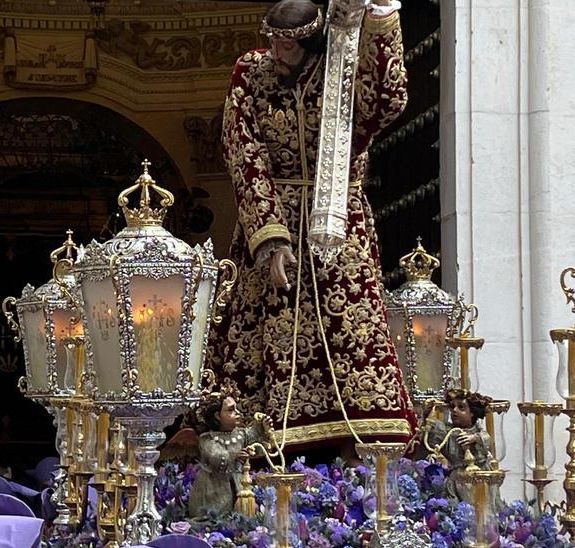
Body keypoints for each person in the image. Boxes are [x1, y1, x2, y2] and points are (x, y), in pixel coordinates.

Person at [207, 0, 416, 457]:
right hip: (272, 221)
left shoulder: (340, 72)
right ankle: (256, 441)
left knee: (353, 331)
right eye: (274, 43)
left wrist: (381, 20)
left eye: (289, 45)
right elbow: (243, 152)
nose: (278, 52)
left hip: (339, 220)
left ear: (311, 41)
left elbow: (388, 99)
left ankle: (367, 446)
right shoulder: (251, 73)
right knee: (264, 326)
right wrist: (270, 235)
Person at [186, 393, 273, 518]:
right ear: (217, 416)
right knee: (215, 517)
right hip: (214, 488)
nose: (238, 413)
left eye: (236, 408)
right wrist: (235, 455)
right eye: (231, 410)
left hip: (239, 485)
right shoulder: (207, 439)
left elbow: (255, 438)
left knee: (240, 514)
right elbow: (216, 455)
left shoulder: (240, 434)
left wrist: (262, 426)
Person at [423, 390, 497, 504]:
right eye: (452, 407)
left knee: (483, 505)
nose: (454, 411)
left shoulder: (477, 431)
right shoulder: (449, 432)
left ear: (472, 413)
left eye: (461, 407)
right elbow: (433, 432)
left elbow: (487, 438)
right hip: (457, 479)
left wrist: (474, 438)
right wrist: (428, 414)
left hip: (479, 476)